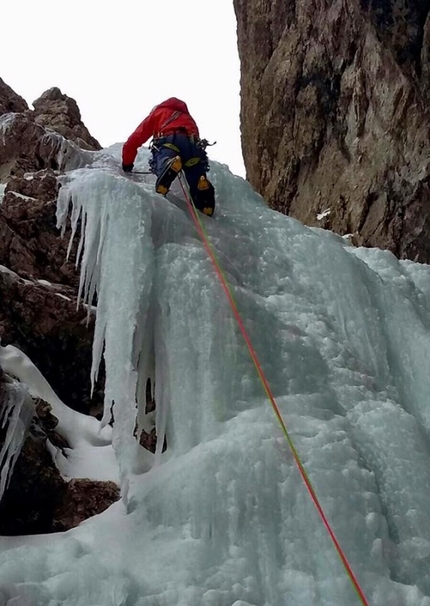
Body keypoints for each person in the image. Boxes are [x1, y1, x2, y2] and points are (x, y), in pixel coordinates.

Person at [122, 97, 216, 216]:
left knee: (163, 157)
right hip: (193, 147)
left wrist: (127, 164)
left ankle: (168, 164)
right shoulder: (188, 118)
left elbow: (135, 138)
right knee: (194, 168)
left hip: (170, 141)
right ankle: (201, 188)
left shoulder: (159, 113)